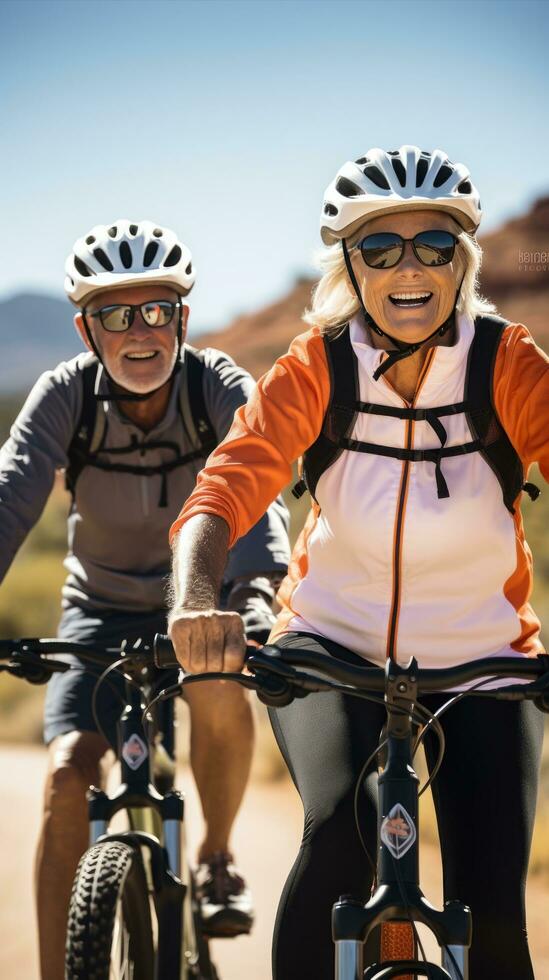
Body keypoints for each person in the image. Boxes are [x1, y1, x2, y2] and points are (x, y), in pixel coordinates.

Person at [167, 146, 549, 980]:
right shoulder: (319, 364)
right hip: (329, 651)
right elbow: (221, 494)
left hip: (484, 661)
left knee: (491, 915)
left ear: (463, 261)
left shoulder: (506, 362)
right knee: (338, 831)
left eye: (433, 245)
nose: (408, 268)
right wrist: (196, 599)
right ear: (351, 264)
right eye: (381, 248)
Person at [0, 219, 290, 980]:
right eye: (115, 314)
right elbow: (9, 497)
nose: (138, 332)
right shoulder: (64, 395)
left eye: (156, 311)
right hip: (95, 609)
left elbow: (259, 489)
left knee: (221, 685)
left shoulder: (217, 387)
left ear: (182, 318)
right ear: (85, 327)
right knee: (67, 774)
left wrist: (256, 592)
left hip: (209, 600)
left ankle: (217, 857)